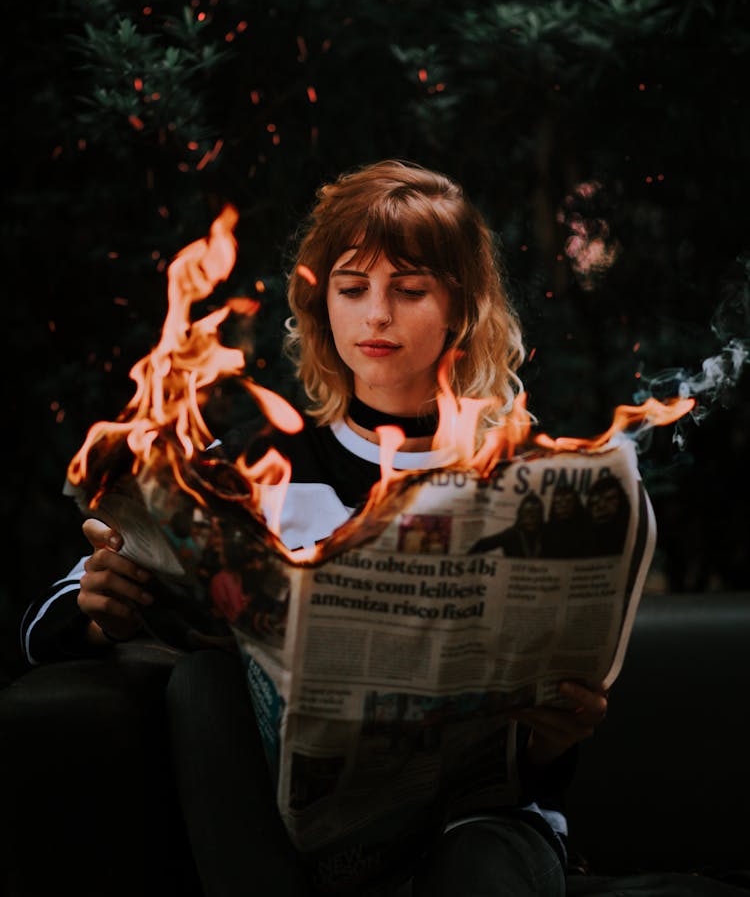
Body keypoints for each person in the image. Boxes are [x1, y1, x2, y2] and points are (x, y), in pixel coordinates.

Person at [20, 159, 608, 897]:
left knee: (480, 868)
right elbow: (38, 626)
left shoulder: (522, 475)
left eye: (410, 288)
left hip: (478, 827)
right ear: (321, 302)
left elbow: (545, 744)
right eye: (353, 288)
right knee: (204, 679)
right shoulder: (251, 464)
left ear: (461, 307)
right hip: (289, 839)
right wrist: (100, 611)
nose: (377, 315)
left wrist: (556, 737)